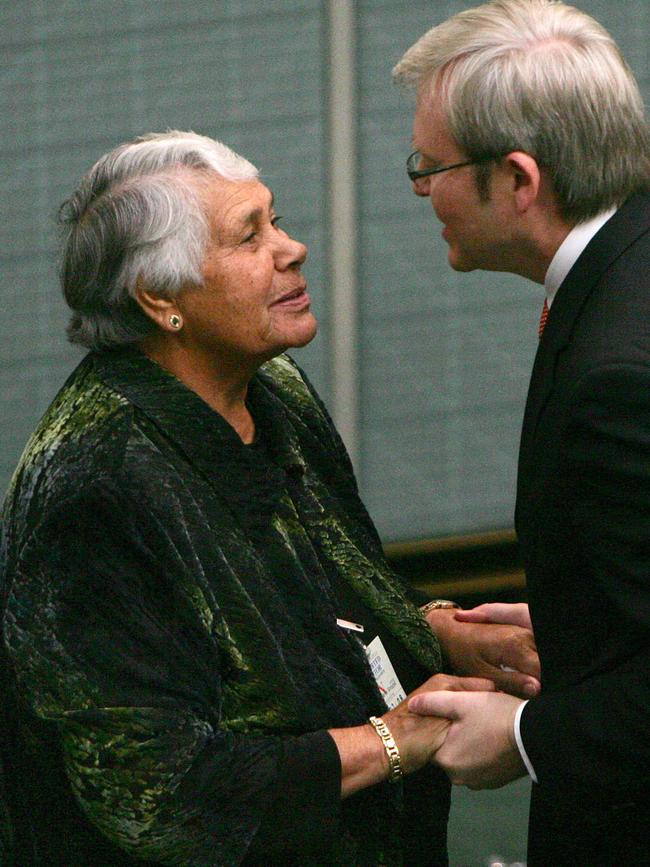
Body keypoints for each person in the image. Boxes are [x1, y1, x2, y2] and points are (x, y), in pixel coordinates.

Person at [0, 131, 540, 866]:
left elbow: (325, 596)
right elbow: (157, 796)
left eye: (275, 219)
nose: (292, 249)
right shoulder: (97, 488)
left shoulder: (268, 386)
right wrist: (394, 739)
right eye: (248, 237)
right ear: (161, 299)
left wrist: (441, 631)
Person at [393, 0, 650, 863]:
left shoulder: (616, 375)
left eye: (430, 166)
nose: (423, 188)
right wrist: (583, 612)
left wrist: (527, 733)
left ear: (518, 180)